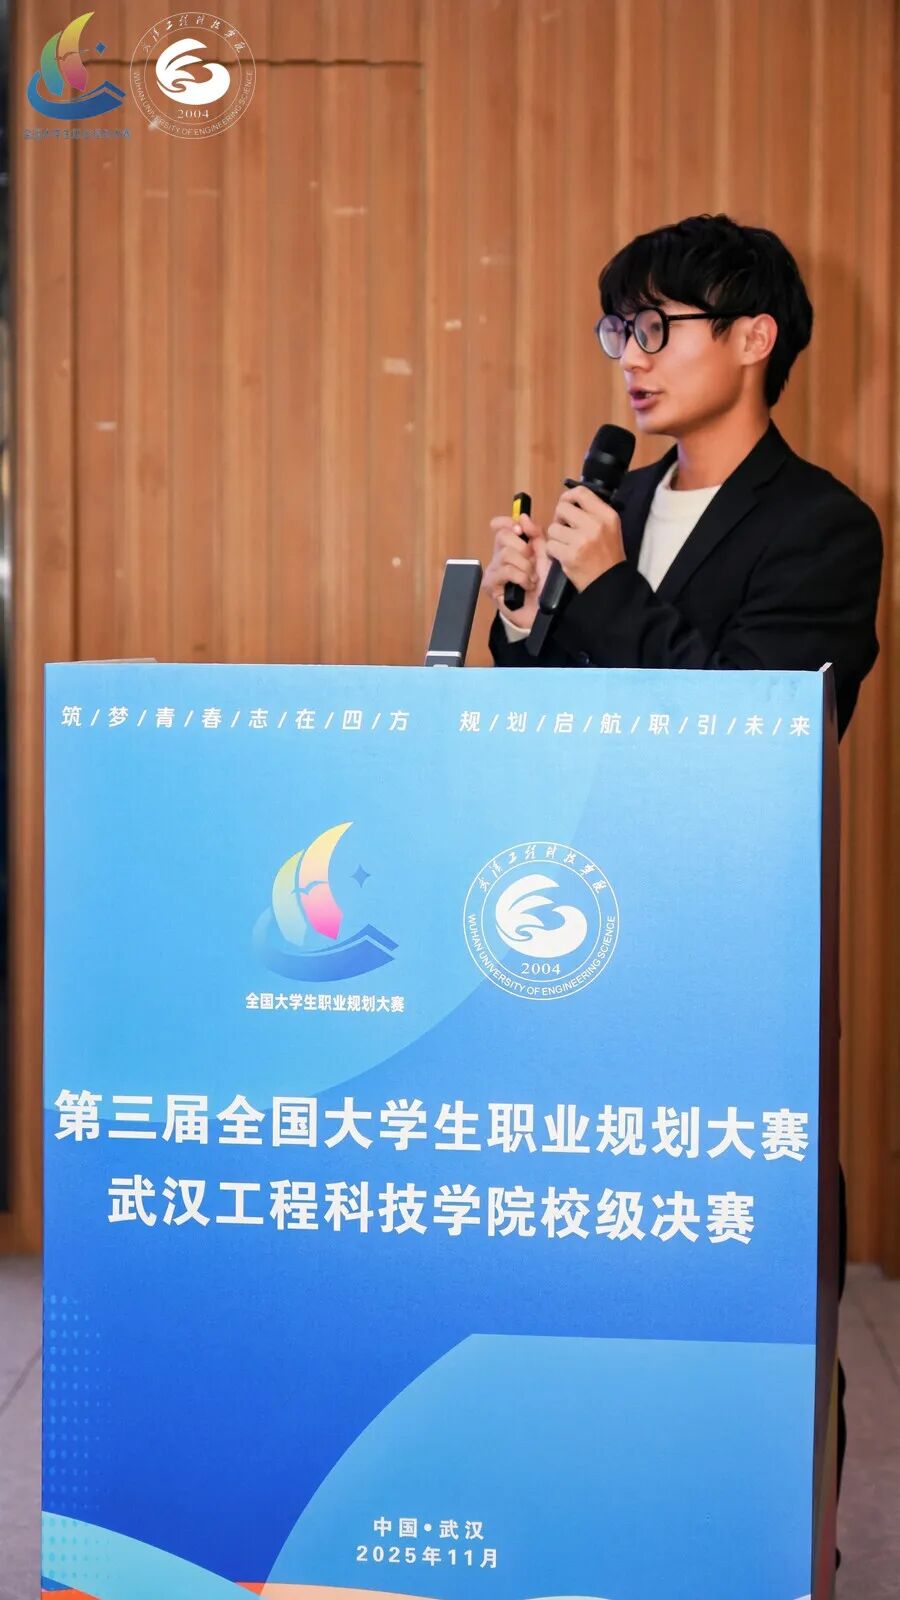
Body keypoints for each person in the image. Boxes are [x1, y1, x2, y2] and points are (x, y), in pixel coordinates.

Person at [483, 212, 883, 1554]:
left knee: (745, 1283)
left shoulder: (823, 527)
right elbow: (553, 738)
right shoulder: (618, 512)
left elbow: (758, 734)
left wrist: (602, 589)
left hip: (724, 960)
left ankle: (777, 1546)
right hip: (575, 940)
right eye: (619, 330)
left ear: (754, 337)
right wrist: (526, 622)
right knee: (584, 1264)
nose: (631, 358)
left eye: (659, 328)